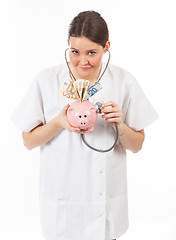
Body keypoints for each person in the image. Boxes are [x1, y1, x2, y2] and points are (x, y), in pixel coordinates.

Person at [11, 10, 158, 240]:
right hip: (62, 203)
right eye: (74, 51)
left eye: (92, 52)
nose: (82, 61)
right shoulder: (47, 80)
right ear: (67, 46)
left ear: (106, 46)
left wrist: (118, 125)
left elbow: (137, 144)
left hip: (104, 206)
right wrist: (59, 122)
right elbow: (28, 141)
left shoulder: (123, 81)